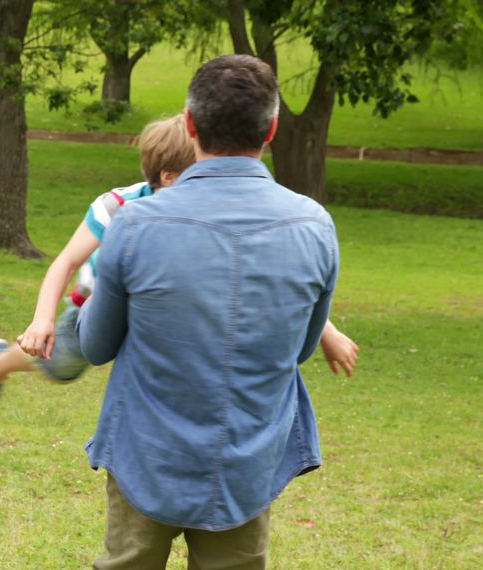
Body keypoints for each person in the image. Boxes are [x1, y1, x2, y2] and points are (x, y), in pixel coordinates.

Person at [76, 54, 339, 568]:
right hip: (247, 459)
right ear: (273, 129)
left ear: (191, 124)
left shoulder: (135, 225)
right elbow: (304, 348)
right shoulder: (314, 226)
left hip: (146, 455)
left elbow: (94, 346)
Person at [0, 116, 357, 410]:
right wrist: (42, 320)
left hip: (163, 307)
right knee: (62, 364)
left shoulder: (205, 217)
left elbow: (267, 277)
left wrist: (327, 330)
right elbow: (66, 262)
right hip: (97, 305)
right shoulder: (116, 207)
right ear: (169, 177)